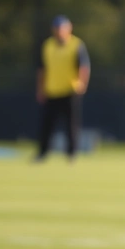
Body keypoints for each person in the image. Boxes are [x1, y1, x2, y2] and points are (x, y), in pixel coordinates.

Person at [35, 15, 90, 163]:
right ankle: (42, 153)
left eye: (62, 28)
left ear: (68, 29)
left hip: (70, 91)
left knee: (71, 125)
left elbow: (84, 67)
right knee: (46, 125)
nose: (59, 31)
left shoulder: (76, 44)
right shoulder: (47, 45)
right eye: (57, 28)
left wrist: (82, 84)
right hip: (51, 90)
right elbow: (42, 69)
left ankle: (71, 154)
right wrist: (40, 89)